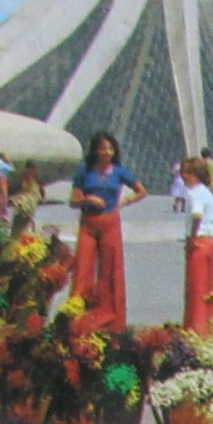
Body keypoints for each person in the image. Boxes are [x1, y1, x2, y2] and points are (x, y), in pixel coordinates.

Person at [69, 132, 146, 330]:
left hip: (110, 222)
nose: (107, 152)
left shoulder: (120, 172)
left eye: (110, 149)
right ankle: (77, 317)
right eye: (103, 148)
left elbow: (141, 191)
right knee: (83, 268)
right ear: (96, 150)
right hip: (89, 223)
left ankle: (112, 319)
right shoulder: (84, 171)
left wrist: (124, 202)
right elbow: (73, 201)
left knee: (111, 269)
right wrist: (88, 199)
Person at [181, 157, 213, 335]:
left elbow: (197, 215)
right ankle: (204, 327)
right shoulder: (207, 193)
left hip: (199, 242)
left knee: (195, 288)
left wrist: (192, 238)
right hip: (209, 242)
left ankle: (194, 328)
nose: (184, 176)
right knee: (205, 287)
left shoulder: (194, 193)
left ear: (198, 175)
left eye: (188, 173)